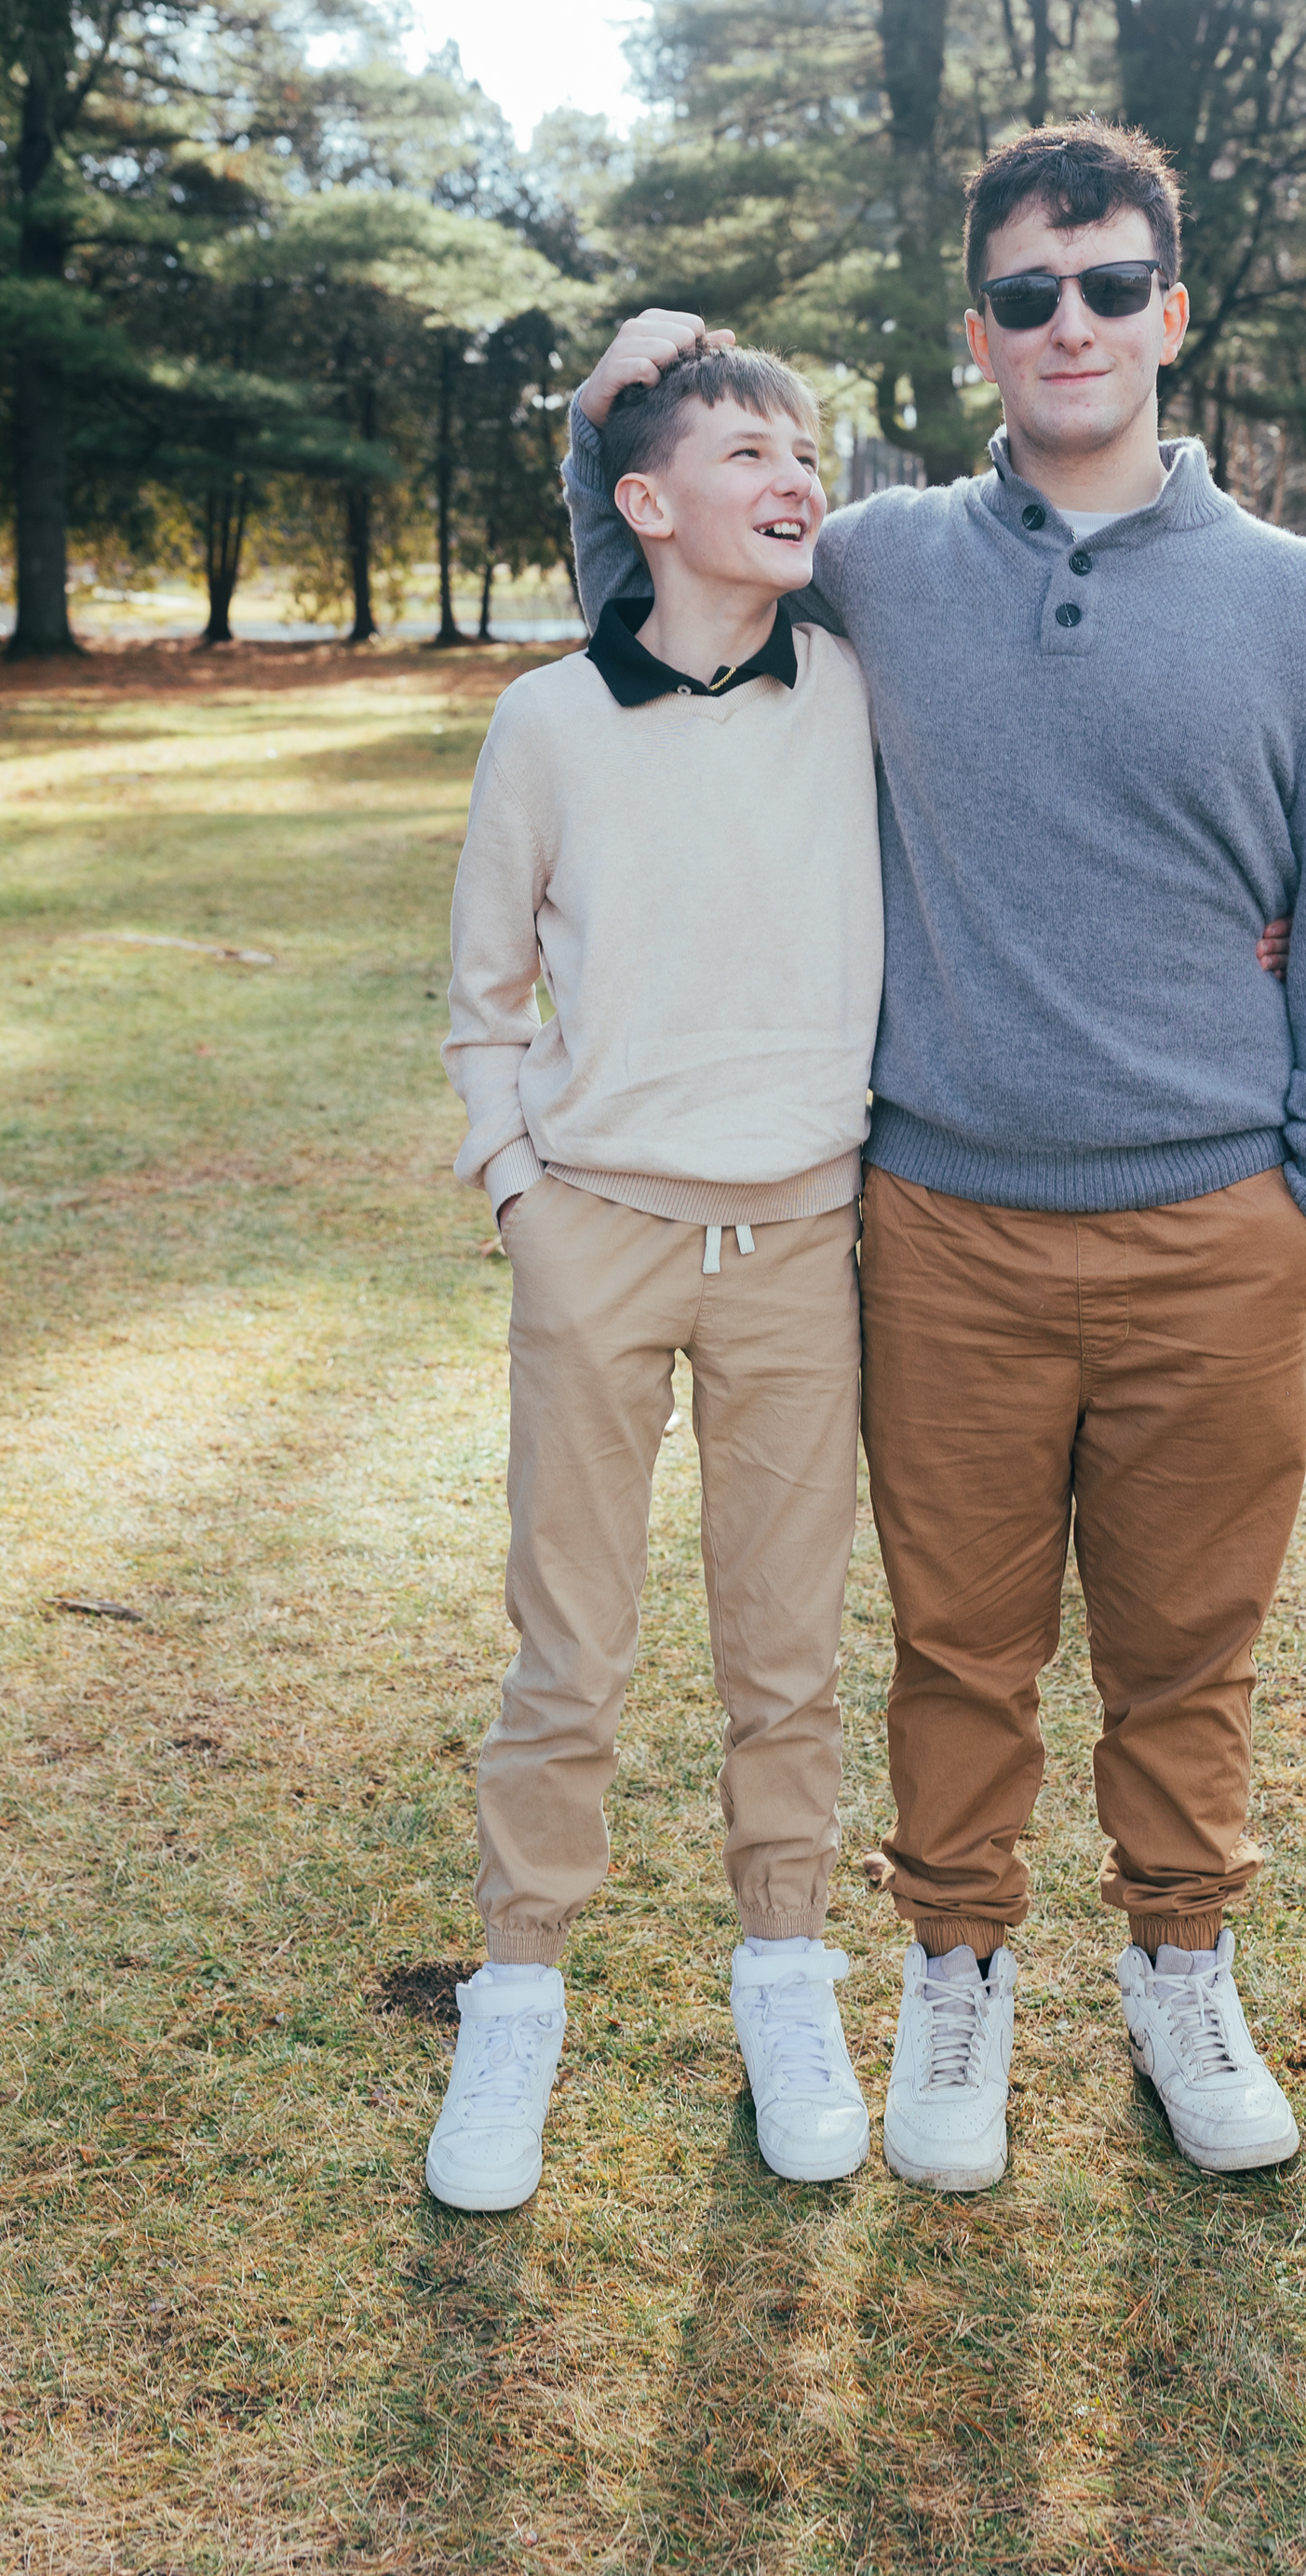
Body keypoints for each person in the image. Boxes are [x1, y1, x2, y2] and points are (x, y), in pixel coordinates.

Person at [567, 118, 1306, 2195]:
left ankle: (1183, 1967)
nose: (1072, 323)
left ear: (1170, 311)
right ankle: (956, 1974)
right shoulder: (880, 566)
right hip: (943, 1225)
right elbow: (658, 594)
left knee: (1185, 1649)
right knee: (960, 1647)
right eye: (1029, 293)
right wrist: (612, 410)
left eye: (1111, 284)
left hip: (1219, 1231)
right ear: (980, 332)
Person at [429, 342, 885, 2209]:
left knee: (788, 1654)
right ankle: (516, 1997)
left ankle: (787, 1979)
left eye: (808, 451)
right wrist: (520, 1194)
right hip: (596, 1237)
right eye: (747, 451)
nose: (794, 476)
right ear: (643, 504)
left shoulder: (853, 686)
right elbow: (483, 997)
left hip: (803, 1244)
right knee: (572, 1657)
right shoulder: (547, 720)